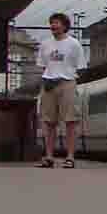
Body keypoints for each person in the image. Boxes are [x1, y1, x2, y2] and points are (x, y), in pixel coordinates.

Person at [37, 13, 87, 169]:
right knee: (48, 122)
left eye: (56, 23)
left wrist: (69, 77)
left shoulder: (74, 44)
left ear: (65, 26)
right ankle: (49, 157)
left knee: (70, 121)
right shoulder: (45, 44)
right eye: (51, 23)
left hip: (67, 83)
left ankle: (70, 157)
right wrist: (48, 79)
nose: (53, 26)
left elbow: (81, 67)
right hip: (49, 84)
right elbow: (43, 66)